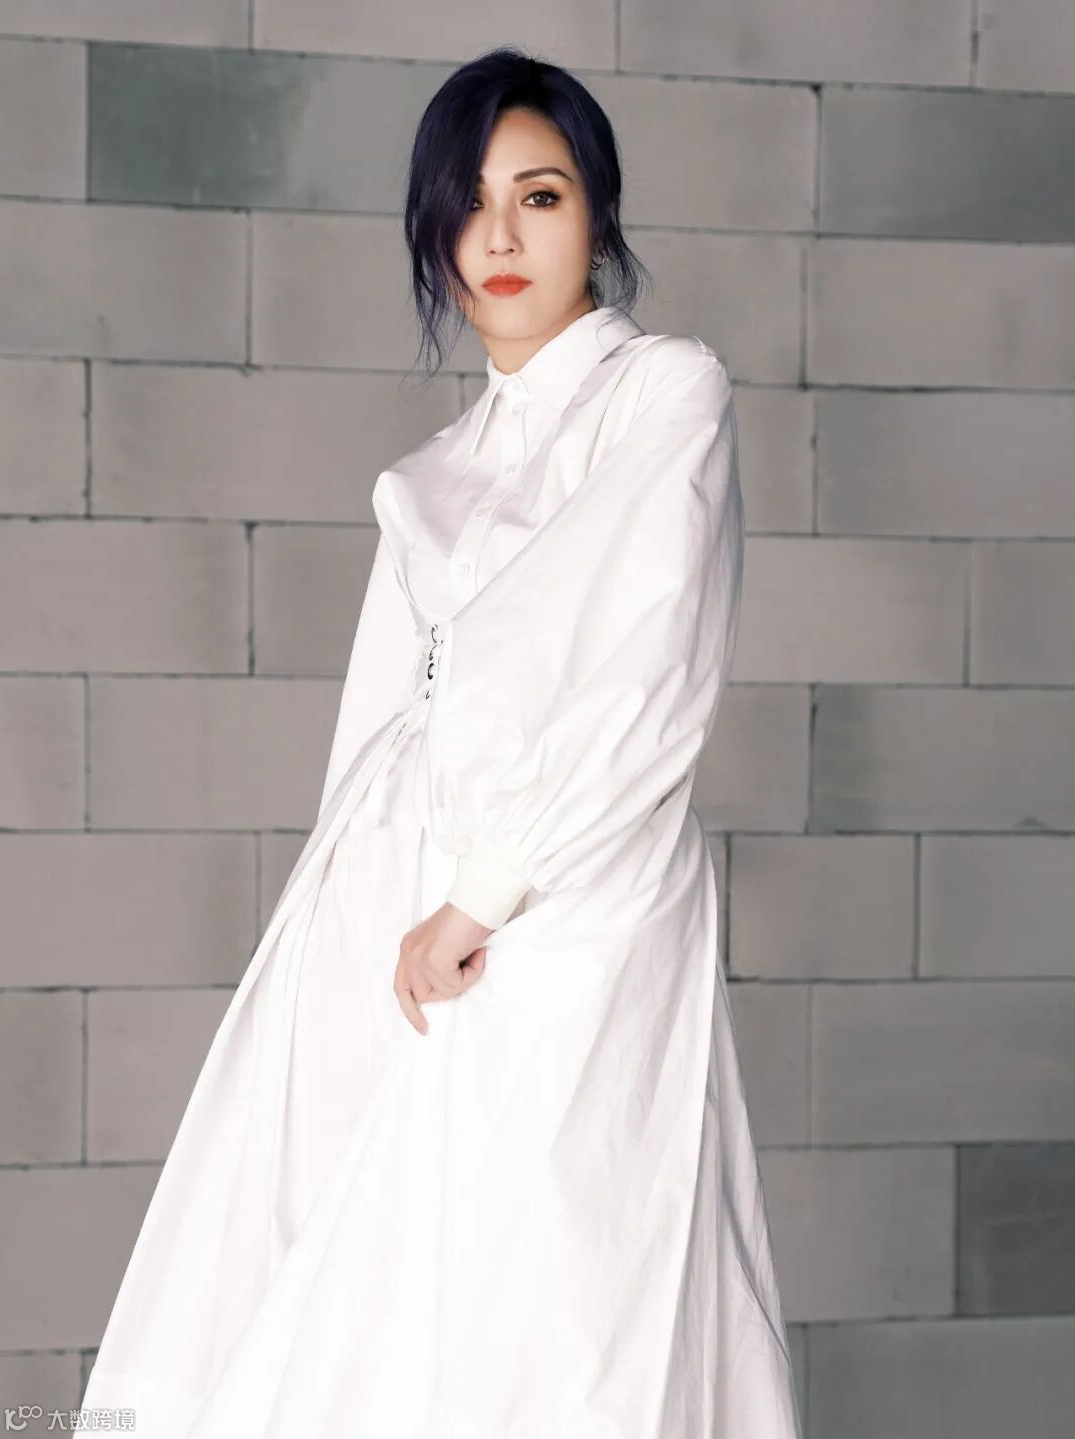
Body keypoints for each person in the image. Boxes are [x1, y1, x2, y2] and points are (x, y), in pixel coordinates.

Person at [80, 45, 803, 1439]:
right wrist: (340, 938)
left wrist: (488, 886)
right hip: (400, 912)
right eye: (468, 204)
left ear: (597, 213)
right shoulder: (430, 476)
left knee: (568, 1290)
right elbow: (380, 726)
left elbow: (649, 665)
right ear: (431, 234)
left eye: (540, 195)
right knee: (375, 1284)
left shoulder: (664, 394)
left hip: (571, 902)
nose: (502, 237)